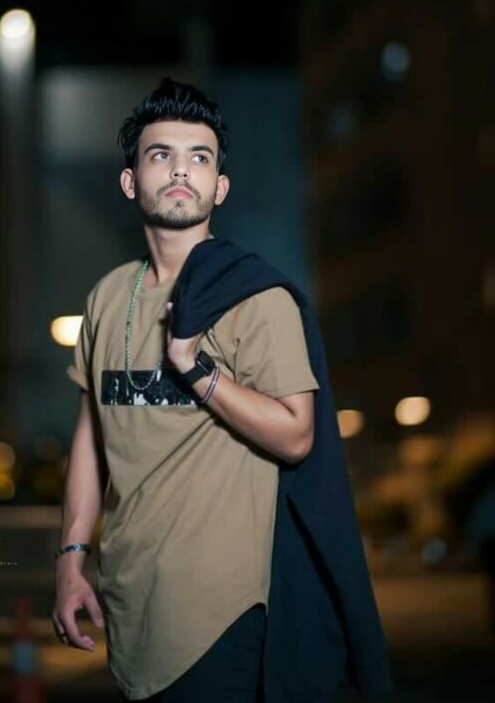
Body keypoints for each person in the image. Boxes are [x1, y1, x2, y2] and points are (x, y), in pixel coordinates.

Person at [52, 77, 322, 702]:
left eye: (199, 157)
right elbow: (90, 444)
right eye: (161, 154)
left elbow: (297, 435)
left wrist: (196, 370)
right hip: (128, 606)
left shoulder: (256, 297)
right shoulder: (106, 298)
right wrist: (70, 560)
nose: (180, 170)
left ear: (219, 187)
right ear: (131, 182)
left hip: (223, 613)